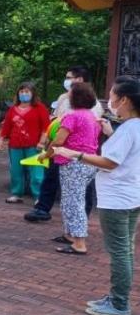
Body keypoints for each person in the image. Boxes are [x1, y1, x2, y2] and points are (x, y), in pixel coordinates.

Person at [54, 77, 140, 315]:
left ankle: (120, 304)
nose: (110, 102)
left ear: (125, 100)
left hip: (117, 200)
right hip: (131, 196)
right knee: (125, 250)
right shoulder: (132, 127)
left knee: (120, 251)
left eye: (112, 97)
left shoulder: (130, 128)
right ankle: (115, 297)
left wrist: (75, 154)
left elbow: (110, 162)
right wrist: (110, 132)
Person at [24, 66, 104, 222]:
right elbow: (54, 122)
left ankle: (79, 224)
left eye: (69, 77)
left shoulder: (90, 106)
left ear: (79, 80)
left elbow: (81, 130)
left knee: (77, 193)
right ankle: (43, 209)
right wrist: (48, 141)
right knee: (52, 179)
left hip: (77, 153)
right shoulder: (63, 99)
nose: (66, 81)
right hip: (61, 150)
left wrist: (46, 153)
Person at [49, 82, 101, 255]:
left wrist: (45, 154)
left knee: (74, 202)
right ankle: (70, 234)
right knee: (71, 199)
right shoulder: (91, 116)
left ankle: (79, 242)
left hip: (73, 163)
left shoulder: (72, 116)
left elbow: (58, 140)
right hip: (88, 162)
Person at [0, 82, 51, 204]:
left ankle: (39, 197)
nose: (24, 94)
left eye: (27, 92)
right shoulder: (12, 110)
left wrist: (42, 142)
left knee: (36, 172)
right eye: (21, 92)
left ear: (33, 94)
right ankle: (16, 193)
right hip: (15, 145)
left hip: (34, 146)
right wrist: (1, 139)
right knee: (16, 171)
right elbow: (6, 127)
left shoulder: (40, 108)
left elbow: (46, 127)